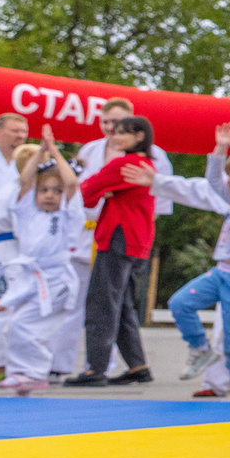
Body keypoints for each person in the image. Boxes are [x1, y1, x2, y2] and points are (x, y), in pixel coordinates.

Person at [154, 120, 230, 399]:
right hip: (221, 272)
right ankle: (200, 348)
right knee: (180, 303)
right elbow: (213, 181)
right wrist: (219, 150)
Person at [73, 115, 169, 386]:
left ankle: (95, 368)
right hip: (137, 240)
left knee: (102, 302)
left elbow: (87, 190)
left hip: (118, 237)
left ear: (139, 136)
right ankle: (137, 364)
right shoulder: (147, 164)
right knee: (123, 304)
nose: (114, 137)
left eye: (122, 132)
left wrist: (101, 191)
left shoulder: (126, 164)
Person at [0, 133, 81, 395]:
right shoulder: (28, 212)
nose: (50, 196)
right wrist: (40, 152)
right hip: (30, 277)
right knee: (13, 325)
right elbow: (25, 180)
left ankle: (33, 373)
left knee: (25, 326)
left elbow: (72, 183)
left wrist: (54, 151)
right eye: (44, 190)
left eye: (56, 191)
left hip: (56, 279)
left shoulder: (67, 215)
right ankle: (22, 375)